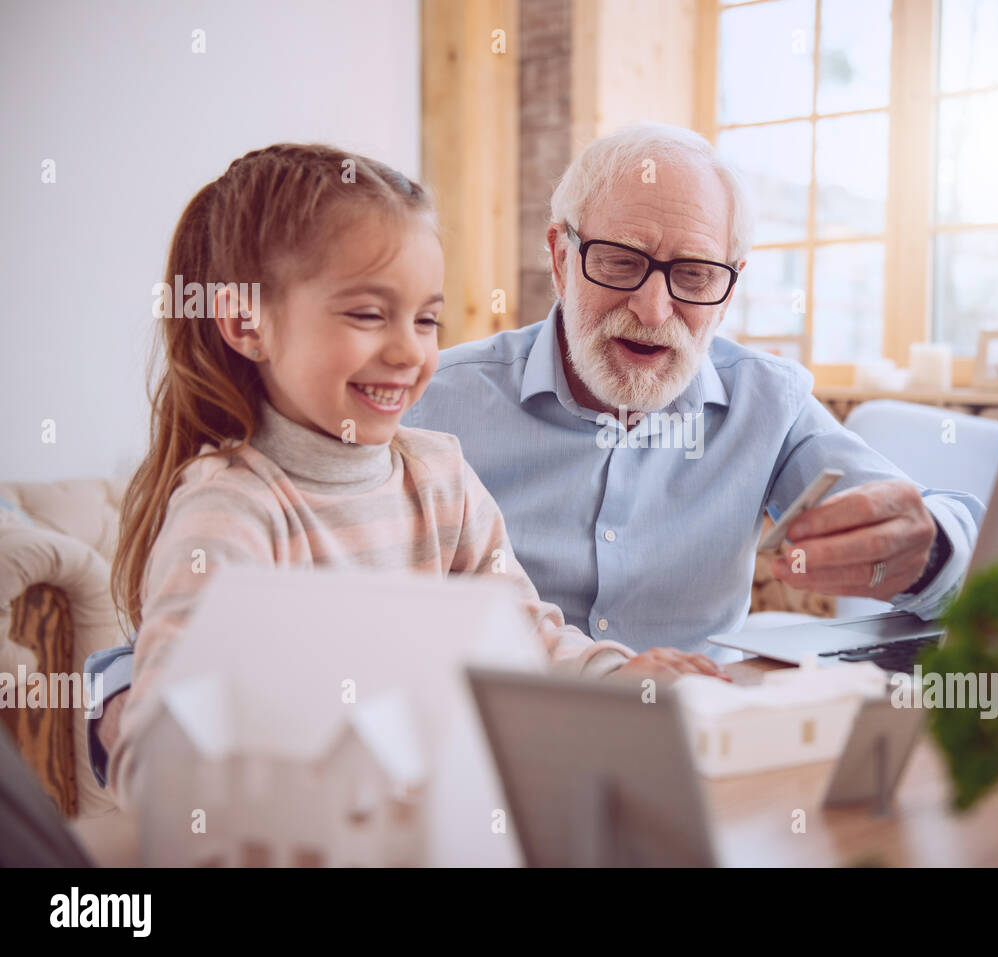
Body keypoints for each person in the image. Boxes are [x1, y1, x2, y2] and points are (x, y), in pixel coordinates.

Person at [96, 143, 727, 805]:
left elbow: (519, 634)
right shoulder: (231, 510)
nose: (408, 351)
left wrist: (618, 679)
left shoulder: (439, 472)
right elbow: (157, 757)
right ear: (244, 321)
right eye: (368, 314)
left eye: (427, 318)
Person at [405, 123, 987, 656]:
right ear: (561, 259)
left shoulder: (767, 405)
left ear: (729, 290)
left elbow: (953, 543)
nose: (654, 311)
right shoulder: (432, 400)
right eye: (619, 262)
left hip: (701, 733)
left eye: (695, 275)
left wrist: (931, 551)